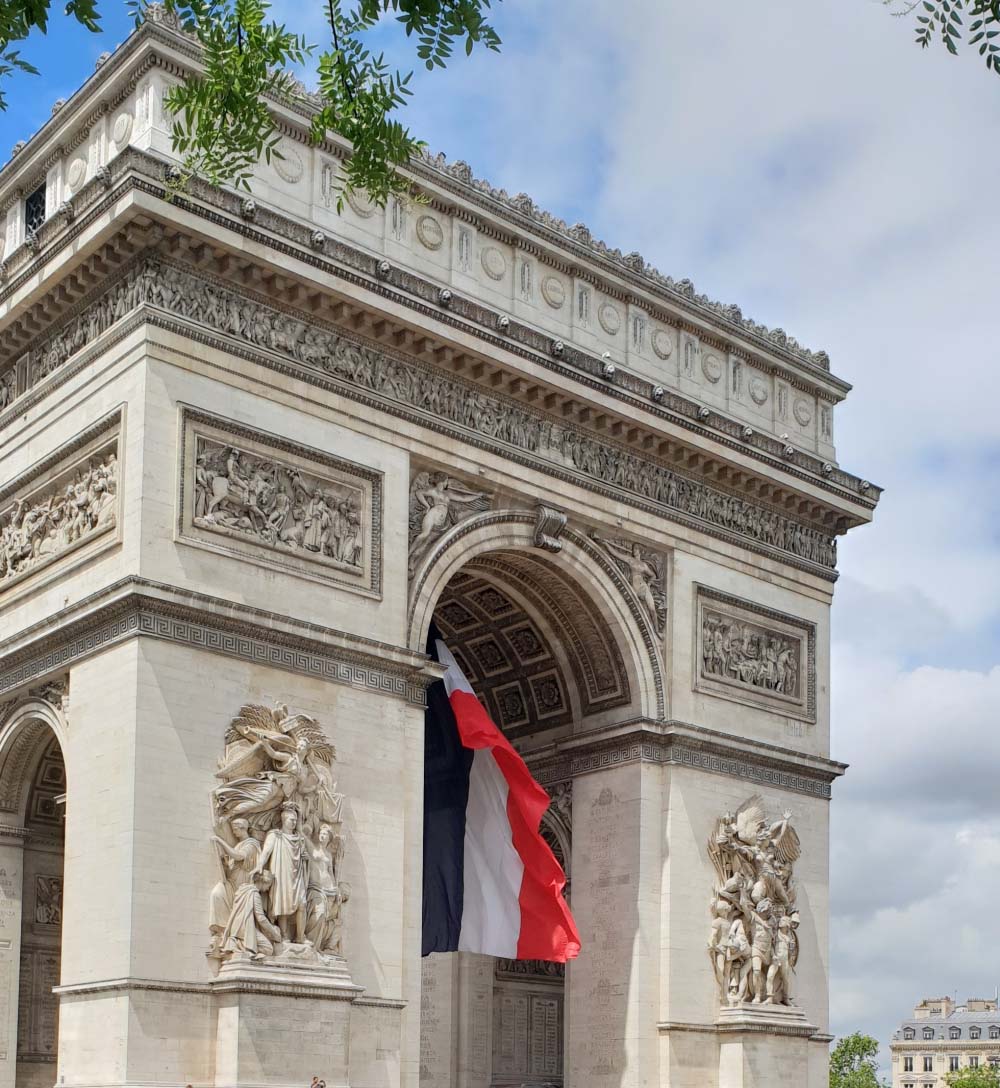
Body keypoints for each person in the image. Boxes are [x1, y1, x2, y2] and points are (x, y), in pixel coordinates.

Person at [255, 803, 308, 943]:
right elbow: (266, 852)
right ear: (284, 820)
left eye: (295, 820)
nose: (294, 823)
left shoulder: (299, 838)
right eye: (292, 820)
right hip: (281, 873)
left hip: (297, 875)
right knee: (282, 903)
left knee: (302, 904)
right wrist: (259, 865)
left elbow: (304, 855)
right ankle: (284, 936)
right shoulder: (275, 835)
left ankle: (301, 937)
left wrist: (305, 858)